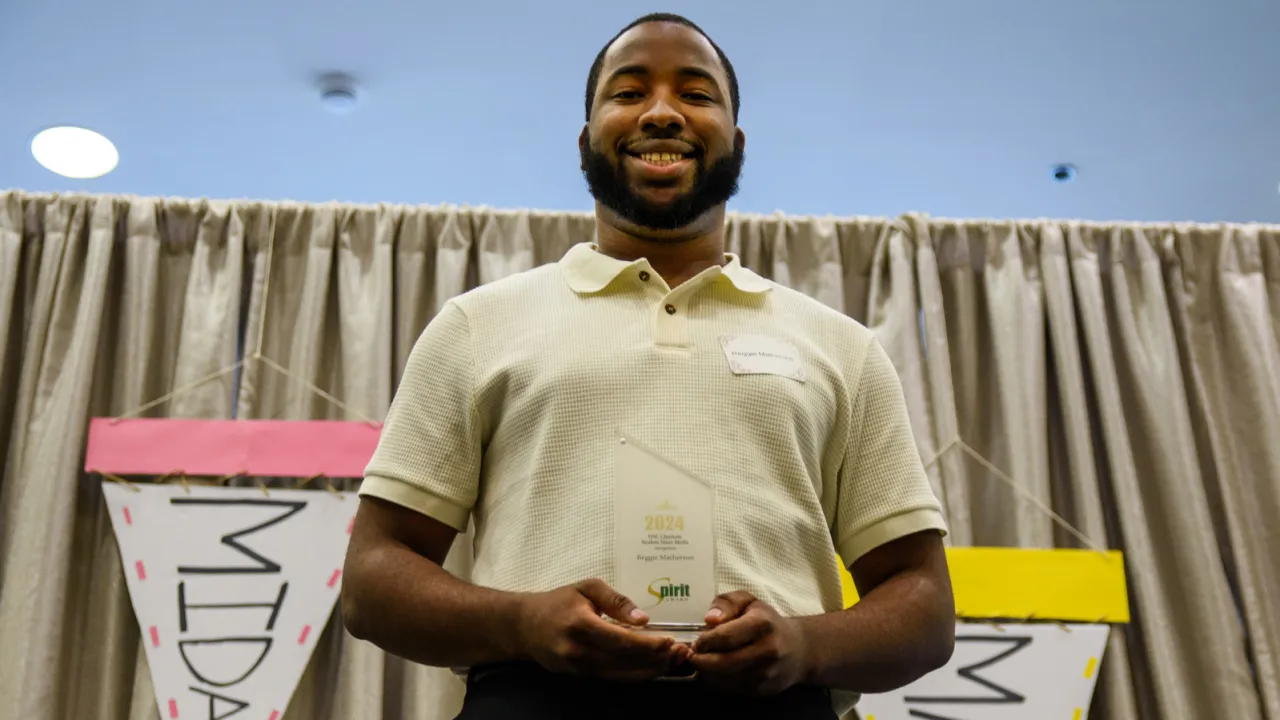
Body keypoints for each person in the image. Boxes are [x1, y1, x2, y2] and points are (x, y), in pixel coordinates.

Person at [341, 12, 956, 720]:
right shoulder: (476, 326)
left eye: (696, 95)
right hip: (531, 700)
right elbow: (372, 580)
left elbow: (924, 602)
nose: (662, 112)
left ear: (737, 140)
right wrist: (522, 623)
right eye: (628, 92)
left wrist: (805, 645)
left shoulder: (842, 347)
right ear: (585, 140)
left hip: (776, 703)